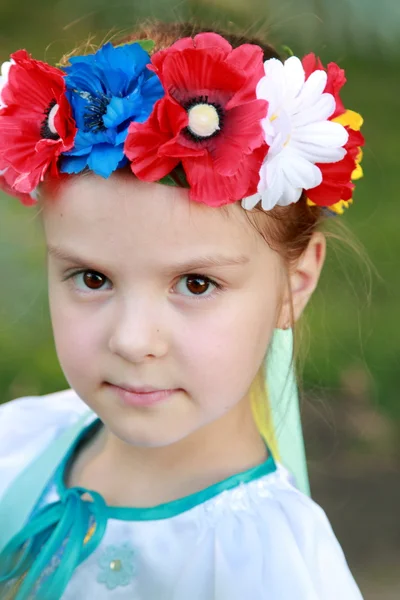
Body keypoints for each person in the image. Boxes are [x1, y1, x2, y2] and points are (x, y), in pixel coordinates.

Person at [0, 21, 365, 600]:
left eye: (196, 284)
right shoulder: (17, 442)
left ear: (294, 284)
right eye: (92, 278)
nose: (132, 339)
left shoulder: (272, 571)